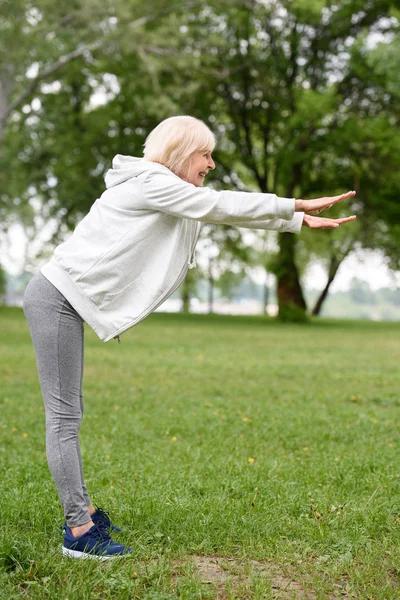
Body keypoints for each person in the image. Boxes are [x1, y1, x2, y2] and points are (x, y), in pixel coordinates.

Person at [23, 115, 356, 560]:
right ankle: (79, 531)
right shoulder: (151, 184)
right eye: (206, 154)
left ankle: (85, 511)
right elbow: (221, 205)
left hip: (63, 300)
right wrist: (295, 204)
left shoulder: (167, 192)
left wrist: (293, 222)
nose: (212, 164)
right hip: (56, 299)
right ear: (181, 152)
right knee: (65, 417)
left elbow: (217, 213)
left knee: (69, 414)